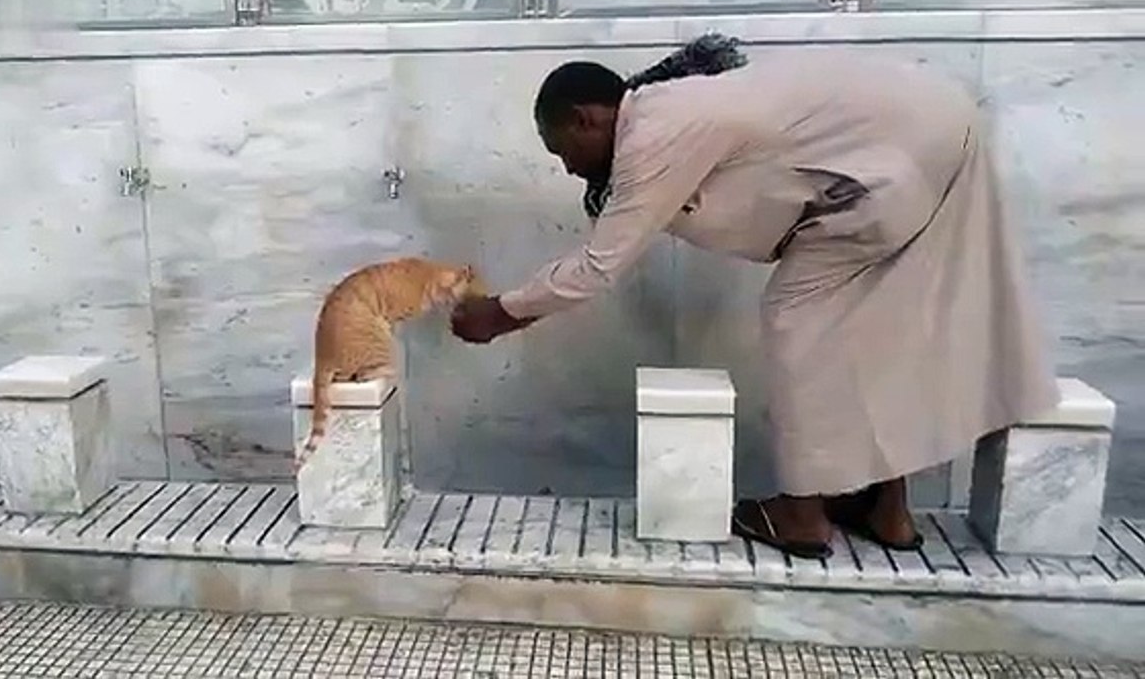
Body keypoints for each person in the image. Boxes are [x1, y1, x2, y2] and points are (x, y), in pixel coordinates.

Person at [449, 35, 1059, 559]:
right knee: (865, 333)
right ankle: (886, 508)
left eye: (562, 151)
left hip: (904, 152)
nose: (568, 170)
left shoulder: (652, 137)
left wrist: (499, 314)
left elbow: (599, 265)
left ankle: (801, 513)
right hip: (923, 136)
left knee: (795, 320)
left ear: (587, 118)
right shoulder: (669, 110)